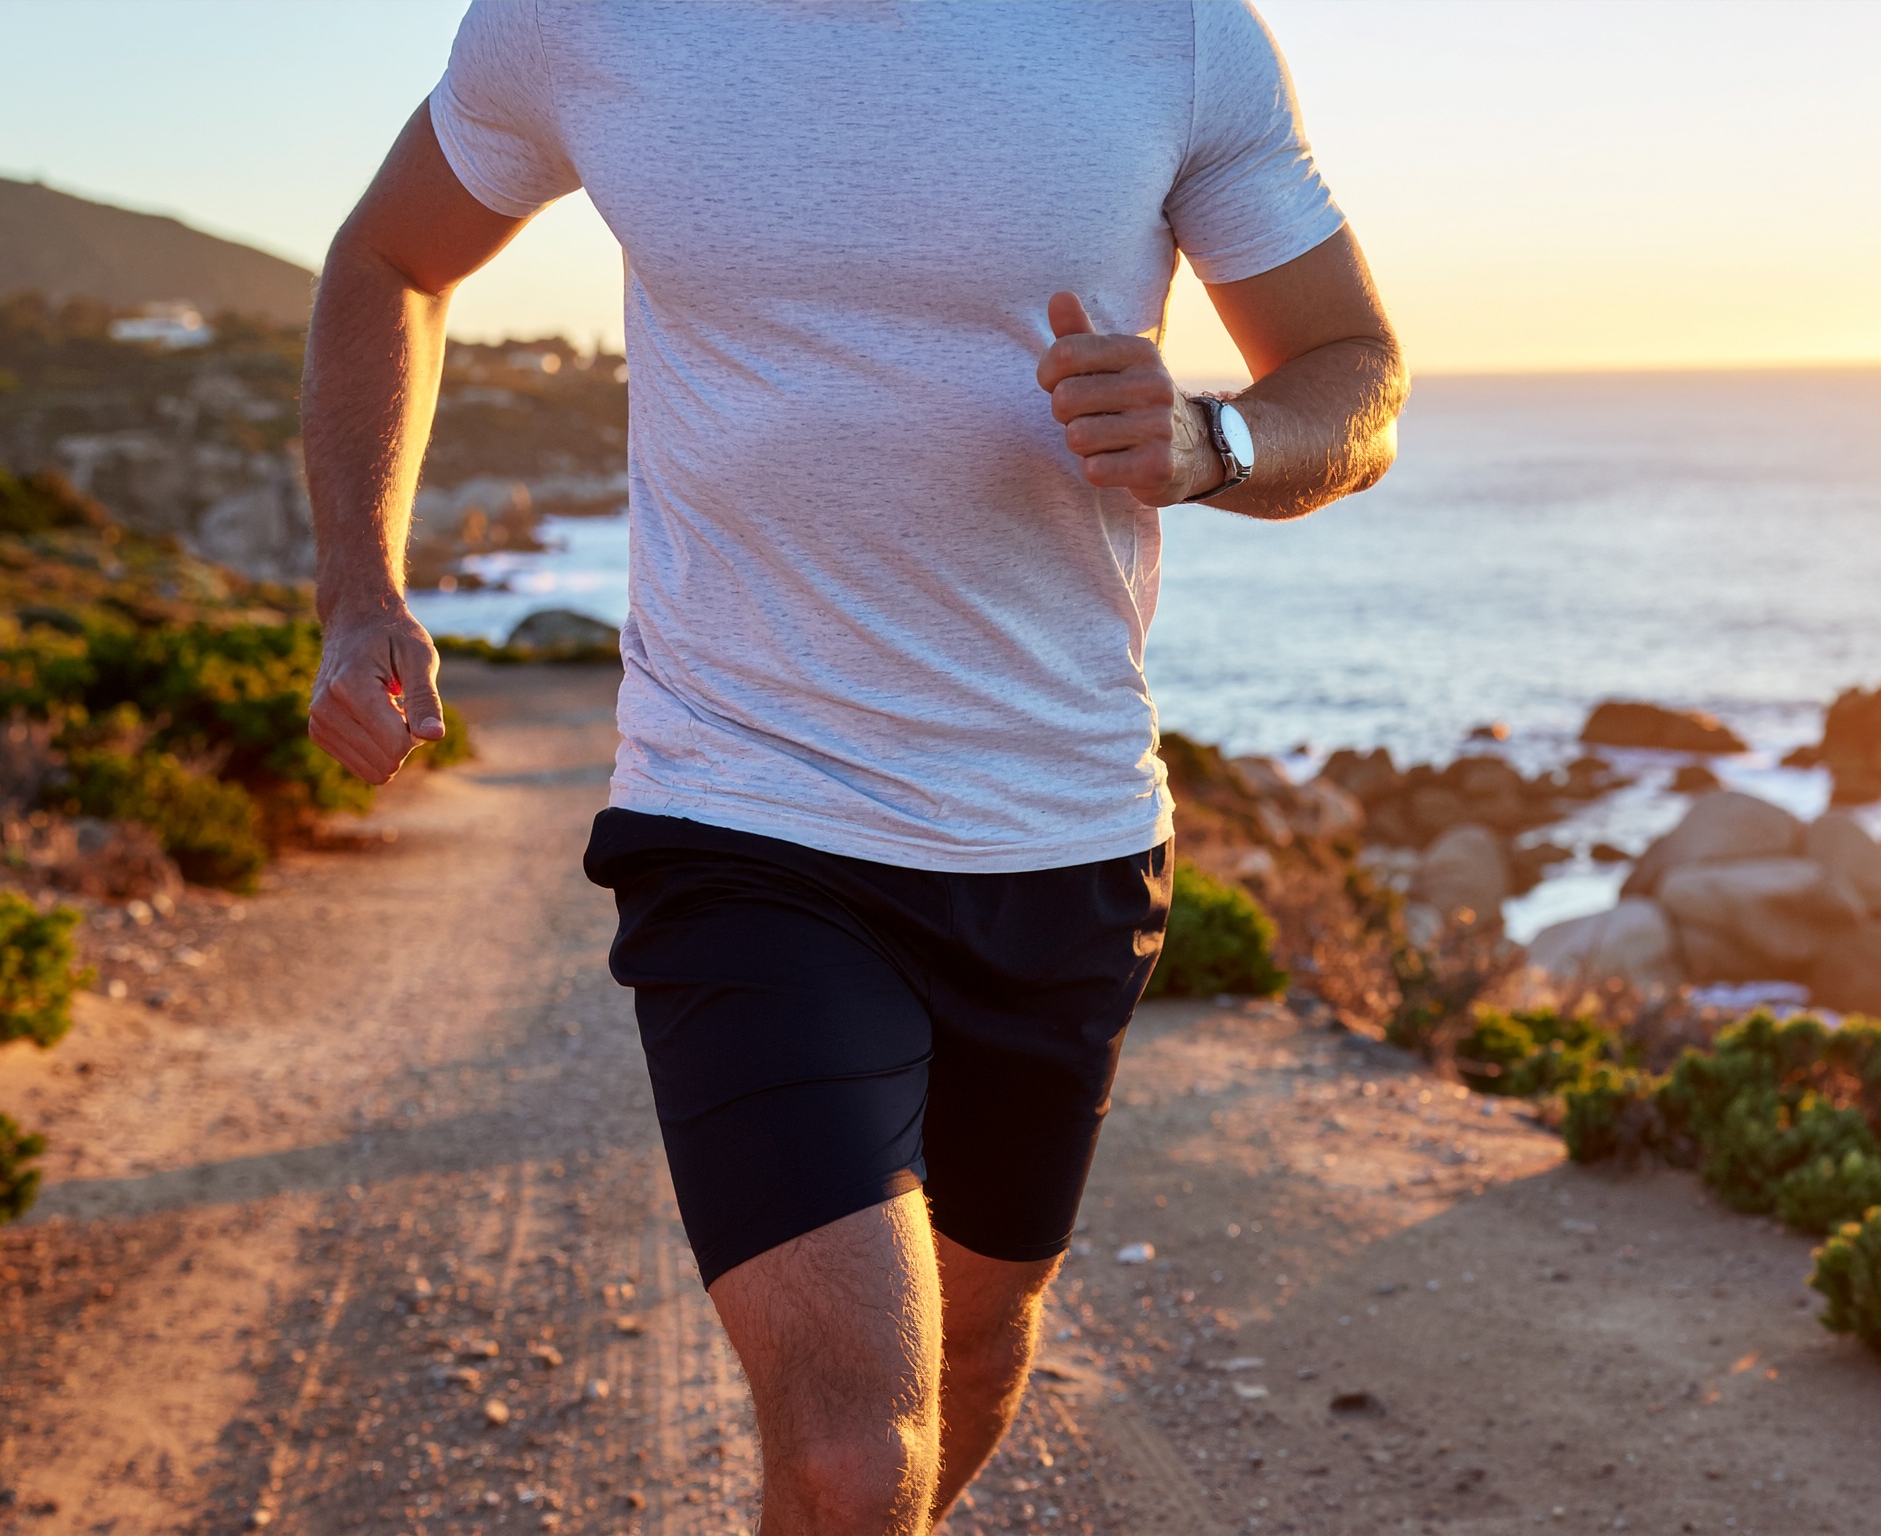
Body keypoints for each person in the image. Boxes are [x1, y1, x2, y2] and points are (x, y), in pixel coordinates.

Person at [300, 4, 1403, 1530]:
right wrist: (360, 586)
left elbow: (1352, 371)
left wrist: (1217, 441)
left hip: (1060, 824)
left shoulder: (1170, 32)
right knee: (850, 1446)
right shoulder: (582, 19)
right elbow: (391, 258)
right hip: (740, 804)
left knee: (973, 1352)